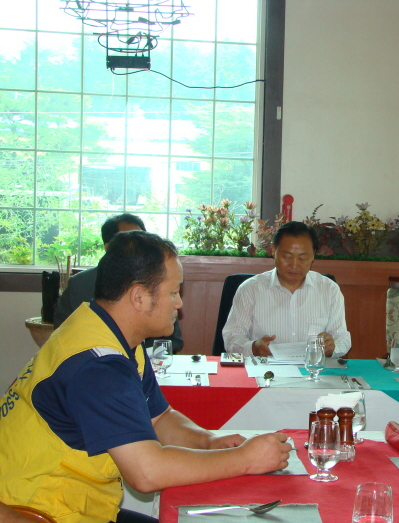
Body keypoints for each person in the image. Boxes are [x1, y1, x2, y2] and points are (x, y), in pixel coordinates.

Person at [0, 231, 291, 523]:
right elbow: (147, 473)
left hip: (75, 503)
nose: (179, 304)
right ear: (139, 297)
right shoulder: (98, 367)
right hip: (39, 510)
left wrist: (207, 441)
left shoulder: (108, 332)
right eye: (174, 292)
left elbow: (159, 418)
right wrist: (244, 460)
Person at [53, 213, 183, 353]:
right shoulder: (80, 285)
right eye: (132, 243)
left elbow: (174, 340)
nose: (179, 303)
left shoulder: (156, 282)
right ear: (109, 248)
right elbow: (62, 337)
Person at [223, 221, 351, 358]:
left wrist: (333, 347)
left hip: (312, 371)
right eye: (287, 257)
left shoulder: (329, 290)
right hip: (265, 371)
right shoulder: (250, 289)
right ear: (273, 251)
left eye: (302, 258)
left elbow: (342, 338)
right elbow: (232, 337)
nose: (294, 265)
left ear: (313, 255)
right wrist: (253, 348)